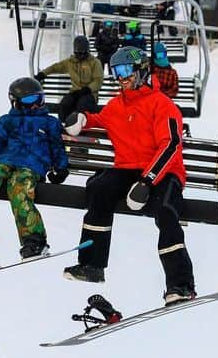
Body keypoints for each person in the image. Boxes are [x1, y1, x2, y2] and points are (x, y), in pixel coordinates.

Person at [61, 46, 197, 306]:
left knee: (166, 210)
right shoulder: (117, 105)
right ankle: (92, 265)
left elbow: (170, 145)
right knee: (99, 189)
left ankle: (181, 284)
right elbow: (100, 120)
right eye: (116, 72)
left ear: (141, 70)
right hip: (128, 168)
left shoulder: (162, 104)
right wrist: (82, 119)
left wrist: (147, 182)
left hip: (164, 172)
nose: (120, 77)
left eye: (125, 70)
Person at [0, 77, 69, 259]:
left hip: (33, 164)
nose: (36, 105)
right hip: (6, 160)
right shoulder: (6, 122)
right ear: (16, 102)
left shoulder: (49, 122)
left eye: (39, 99)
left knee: (18, 188)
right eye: (29, 100)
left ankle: (34, 240)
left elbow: (57, 148)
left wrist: (60, 168)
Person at [35, 36, 102, 121]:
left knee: (82, 105)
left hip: (90, 94)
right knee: (65, 104)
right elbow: (55, 67)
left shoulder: (94, 62)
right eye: (78, 53)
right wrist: (42, 74)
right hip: (75, 92)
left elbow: (98, 80)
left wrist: (88, 89)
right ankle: (63, 124)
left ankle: (81, 126)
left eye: (83, 53)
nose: (81, 56)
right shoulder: (70, 62)